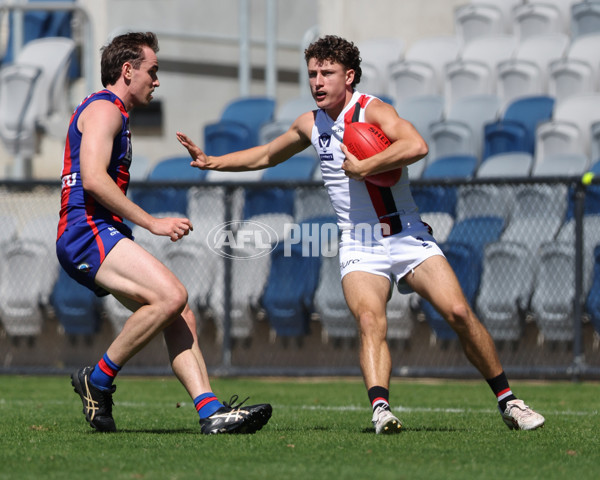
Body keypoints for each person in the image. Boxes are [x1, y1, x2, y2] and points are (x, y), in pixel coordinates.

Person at [176, 35, 545, 434]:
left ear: (348, 76)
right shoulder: (310, 123)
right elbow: (266, 155)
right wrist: (213, 161)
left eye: (327, 73)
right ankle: (381, 410)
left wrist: (367, 166)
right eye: (312, 73)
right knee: (370, 319)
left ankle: (509, 402)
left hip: (406, 235)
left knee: (458, 312)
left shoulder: (372, 110)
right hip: (358, 242)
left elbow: (417, 145)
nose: (317, 81)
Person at [56, 31, 271, 434]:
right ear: (127, 70)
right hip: (87, 231)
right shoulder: (106, 110)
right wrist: (153, 222)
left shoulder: (110, 110)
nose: (157, 80)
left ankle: (211, 413)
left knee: (178, 312)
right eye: (152, 71)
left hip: (96, 231)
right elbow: (93, 181)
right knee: (173, 296)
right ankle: (97, 380)